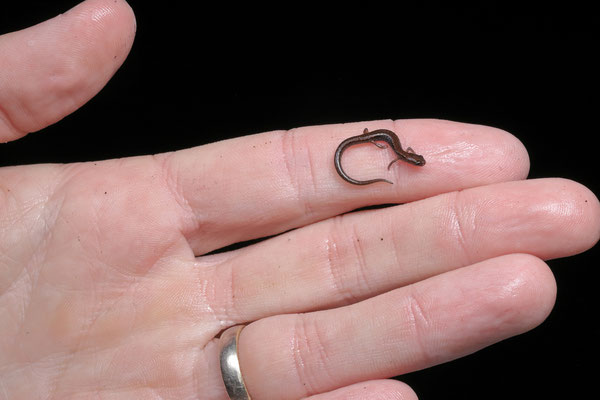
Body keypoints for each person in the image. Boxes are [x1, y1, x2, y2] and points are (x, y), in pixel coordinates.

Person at [1, 1, 599, 399]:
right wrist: (370, 162)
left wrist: (380, 164)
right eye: (407, 161)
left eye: (406, 161)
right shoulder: (383, 147)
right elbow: (375, 150)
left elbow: (389, 154)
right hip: (363, 144)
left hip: (365, 145)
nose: (408, 162)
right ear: (402, 154)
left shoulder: (397, 152)